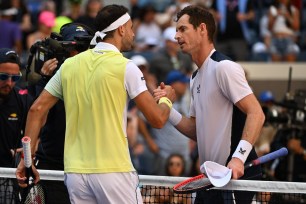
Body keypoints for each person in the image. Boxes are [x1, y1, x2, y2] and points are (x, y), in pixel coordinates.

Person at [16, 4, 176, 204]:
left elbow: (36, 109)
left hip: (75, 176)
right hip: (113, 172)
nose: (134, 34)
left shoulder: (69, 66)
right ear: (121, 29)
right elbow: (158, 119)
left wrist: (27, 159)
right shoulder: (127, 67)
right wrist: (166, 98)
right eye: (132, 27)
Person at [154, 5, 265, 203]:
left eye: (183, 29)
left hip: (233, 180)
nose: (176, 36)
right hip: (210, 179)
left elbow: (256, 113)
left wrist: (239, 158)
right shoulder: (195, 77)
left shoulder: (224, 68)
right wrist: (168, 108)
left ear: (202, 29)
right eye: (177, 30)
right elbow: (197, 130)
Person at [30, 22, 95, 204]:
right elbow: (37, 113)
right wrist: (44, 81)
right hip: (54, 162)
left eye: (84, 47)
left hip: (87, 163)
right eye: (73, 47)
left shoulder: (98, 74)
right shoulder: (51, 78)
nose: (78, 53)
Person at [0, 48, 33, 203]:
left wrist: (26, 150)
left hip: (7, 174)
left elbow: (37, 133)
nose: (9, 83)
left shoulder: (22, 100)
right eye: (3, 77)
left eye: (15, 78)